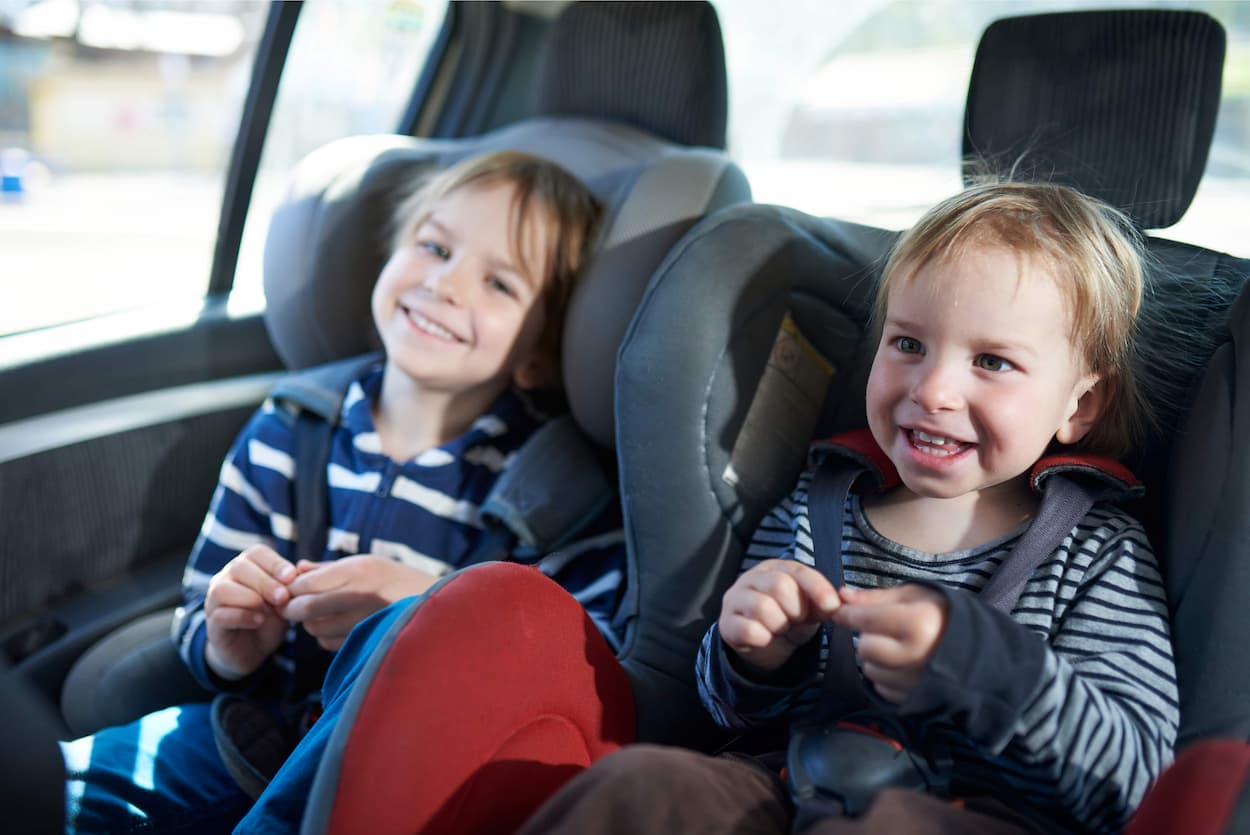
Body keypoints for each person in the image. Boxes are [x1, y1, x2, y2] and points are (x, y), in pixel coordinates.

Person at [517, 181, 1178, 835]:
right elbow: (722, 708)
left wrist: (988, 671)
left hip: (980, 812)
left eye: (993, 361)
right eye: (909, 344)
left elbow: (1134, 780)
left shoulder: (1096, 550)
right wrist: (753, 654)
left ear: (1080, 405)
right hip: (784, 785)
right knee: (646, 784)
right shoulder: (818, 504)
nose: (935, 389)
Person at [62, 150, 620, 834]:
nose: (445, 284)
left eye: (499, 284)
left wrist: (433, 609)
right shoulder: (291, 429)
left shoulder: (554, 491)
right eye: (434, 246)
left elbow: (594, 677)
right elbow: (201, 603)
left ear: (539, 352)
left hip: (417, 772)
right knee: (58, 783)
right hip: (250, 732)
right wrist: (227, 644)